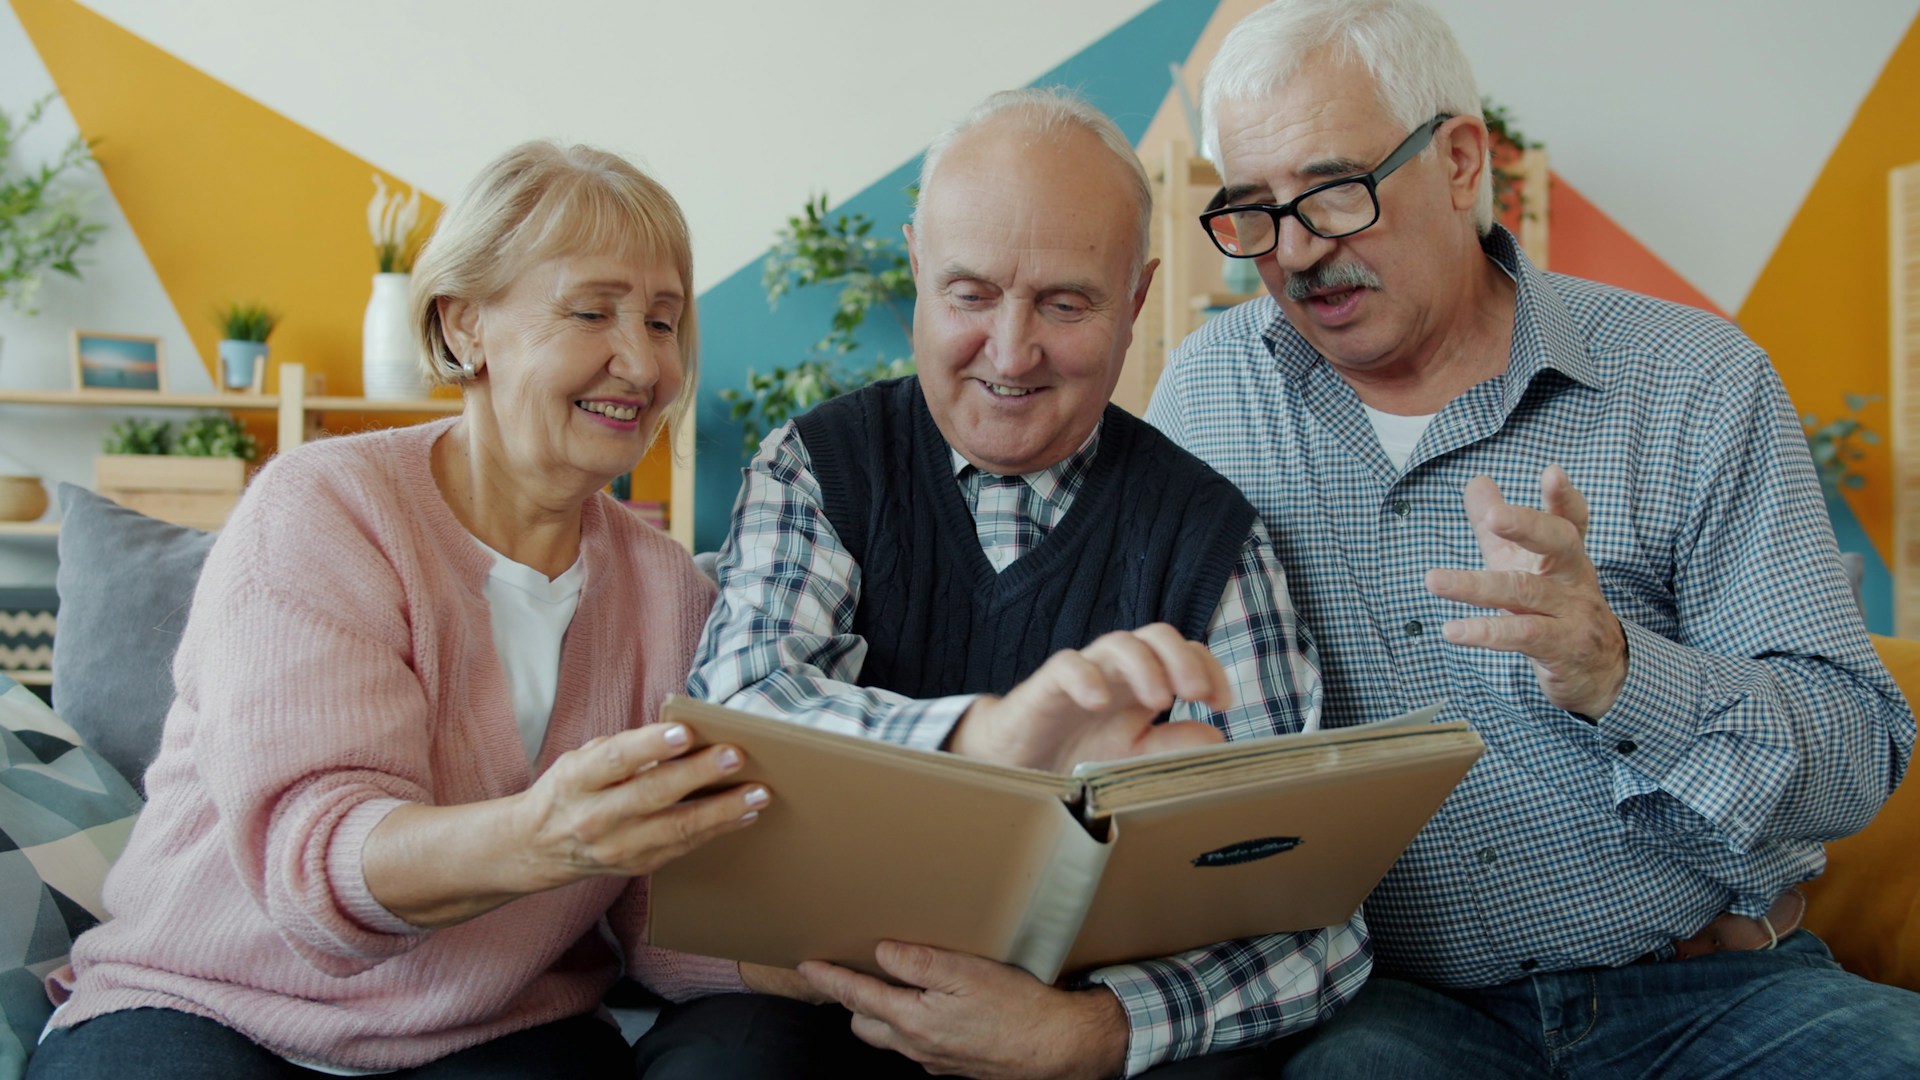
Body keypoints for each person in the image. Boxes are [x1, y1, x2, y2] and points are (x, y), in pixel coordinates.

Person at [1145, 1, 1920, 1075]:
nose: (1299, 253)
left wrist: (1621, 672)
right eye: (1255, 211)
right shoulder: (1206, 397)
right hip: (1402, 1011)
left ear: (1461, 160)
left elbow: (1857, 752)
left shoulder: (1695, 380)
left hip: (1717, 985)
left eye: (1332, 192)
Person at [639, 88, 1367, 1080]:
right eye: (971, 295)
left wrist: (1089, 1034)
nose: (1012, 352)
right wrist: (986, 740)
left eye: (1065, 304)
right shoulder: (820, 468)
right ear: (916, 270)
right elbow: (741, 722)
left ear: (1139, 297)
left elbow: (1312, 919)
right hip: (827, 1012)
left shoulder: (1213, 542)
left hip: (1085, 1028)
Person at [29, 141, 777, 1080]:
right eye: (592, 312)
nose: (640, 361)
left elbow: (660, 929)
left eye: (664, 322)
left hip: (490, 1026)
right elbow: (319, 868)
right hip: (213, 1002)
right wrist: (543, 835)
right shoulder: (326, 509)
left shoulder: (673, 594)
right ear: (465, 326)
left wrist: (861, 962)